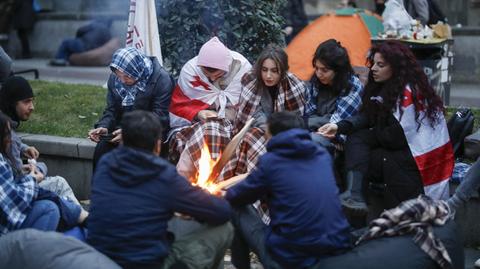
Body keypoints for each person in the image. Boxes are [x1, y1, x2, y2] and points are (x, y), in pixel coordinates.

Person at [318, 41, 453, 214]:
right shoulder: (384, 86)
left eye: (380, 65)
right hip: (396, 146)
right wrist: (339, 126)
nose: (373, 68)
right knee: (356, 140)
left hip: (415, 157)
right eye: (373, 63)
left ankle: (358, 208)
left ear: (396, 67)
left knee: (362, 151)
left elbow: (395, 138)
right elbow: (368, 116)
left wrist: (374, 130)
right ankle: (354, 195)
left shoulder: (410, 91)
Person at [87, 110, 233, 269]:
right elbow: (222, 212)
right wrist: (208, 197)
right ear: (157, 145)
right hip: (145, 263)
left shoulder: (106, 163)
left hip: (99, 258)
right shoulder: (162, 174)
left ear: (123, 140)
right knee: (223, 228)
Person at [225, 111, 352, 269]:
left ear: (273, 135)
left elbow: (237, 196)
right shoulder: (322, 156)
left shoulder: (271, 162)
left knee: (234, 207)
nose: (264, 138)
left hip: (292, 260)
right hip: (336, 253)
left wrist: (220, 194)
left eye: (266, 133)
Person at [219, 44, 306, 181]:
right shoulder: (251, 80)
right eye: (264, 70)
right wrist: (268, 129)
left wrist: (275, 132)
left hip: (284, 134)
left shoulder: (294, 85)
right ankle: (244, 183)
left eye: (274, 71)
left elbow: (296, 121)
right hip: (259, 128)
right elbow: (252, 116)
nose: (268, 76)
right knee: (251, 136)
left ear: (282, 71)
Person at [169, 36, 251, 179]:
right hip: (195, 127)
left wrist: (229, 115)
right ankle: (195, 183)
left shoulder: (243, 70)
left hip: (234, 127)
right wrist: (198, 113)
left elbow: (250, 106)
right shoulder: (191, 71)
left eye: (218, 75)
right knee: (210, 132)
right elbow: (179, 106)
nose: (212, 79)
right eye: (207, 75)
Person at [88, 47, 174, 170]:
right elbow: (111, 110)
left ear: (137, 69)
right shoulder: (115, 79)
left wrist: (130, 133)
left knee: (136, 157)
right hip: (121, 131)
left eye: (127, 76)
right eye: (119, 75)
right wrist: (104, 127)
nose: (122, 80)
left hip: (149, 133)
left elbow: (161, 118)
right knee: (102, 149)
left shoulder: (162, 79)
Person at [0, 76, 80, 204]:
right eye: (26, 102)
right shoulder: (8, 135)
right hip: (14, 195)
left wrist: (24, 148)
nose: (32, 107)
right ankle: (84, 220)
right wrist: (35, 170)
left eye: (32, 101)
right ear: (12, 103)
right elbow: (19, 177)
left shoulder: (4, 125)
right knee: (59, 183)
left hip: (9, 189)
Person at [304, 39, 364, 145]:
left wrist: (309, 123)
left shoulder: (352, 86)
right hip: (315, 131)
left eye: (324, 70)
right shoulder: (317, 82)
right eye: (317, 68)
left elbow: (337, 123)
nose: (318, 74)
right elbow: (309, 112)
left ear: (338, 71)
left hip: (338, 139)